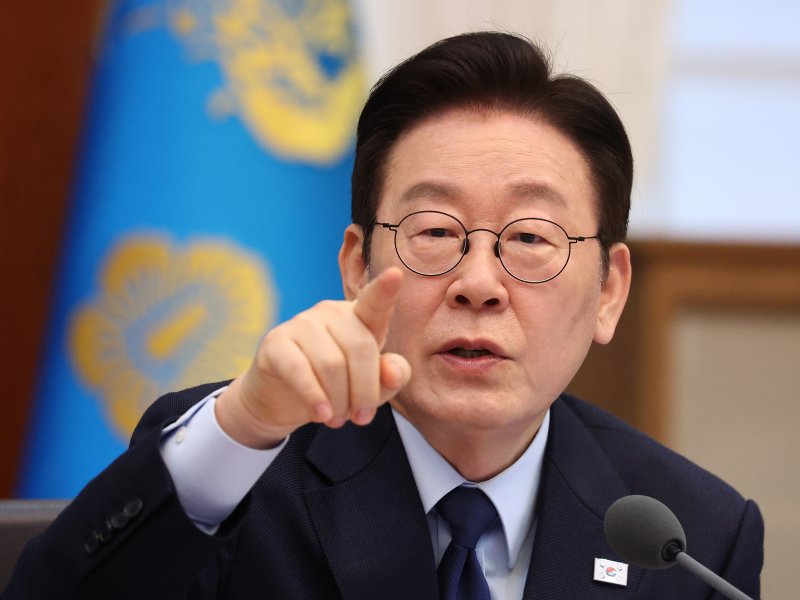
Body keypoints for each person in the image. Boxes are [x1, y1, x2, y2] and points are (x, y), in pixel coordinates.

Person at [3, 32, 762, 599]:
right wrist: (242, 429)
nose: (478, 284)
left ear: (609, 291)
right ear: (357, 266)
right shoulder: (240, 471)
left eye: (531, 239)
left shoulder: (693, 536)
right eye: (434, 232)